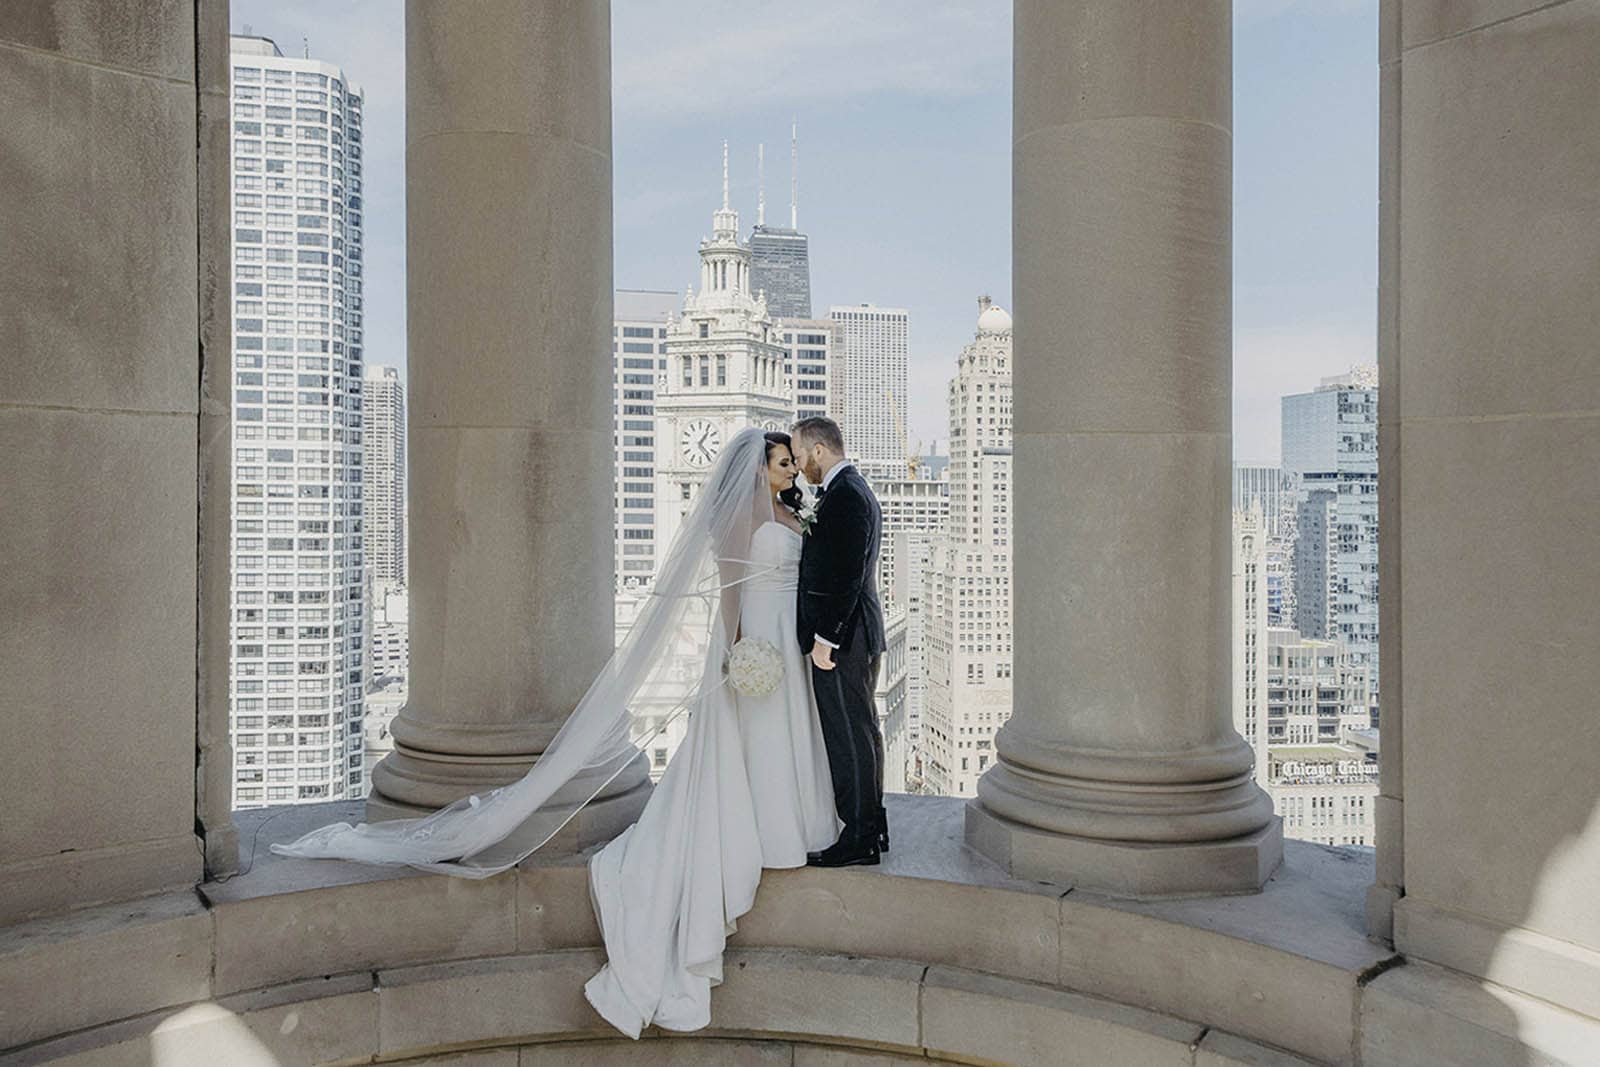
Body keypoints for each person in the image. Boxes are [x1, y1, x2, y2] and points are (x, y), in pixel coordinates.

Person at [269, 427, 840, 1038]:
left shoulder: (790, 510)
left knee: (779, 744)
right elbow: (729, 593)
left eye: (791, 463)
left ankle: (786, 828)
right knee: (745, 747)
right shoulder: (739, 519)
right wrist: (734, 654)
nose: (791, 469)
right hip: (755, 641)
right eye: (783, 462)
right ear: (759, 468)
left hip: (787, 641)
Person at [789, 416, 888, 867]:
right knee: (863, 732)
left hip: (845, 639)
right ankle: (872, 825)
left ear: (818, 451)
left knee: (848, 736)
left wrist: (827, 639)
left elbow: (846, 575)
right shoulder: (850, 489)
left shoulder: (846, 495)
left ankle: (859, 837)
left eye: (799, 453)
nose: (798, 463)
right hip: (858, 635)